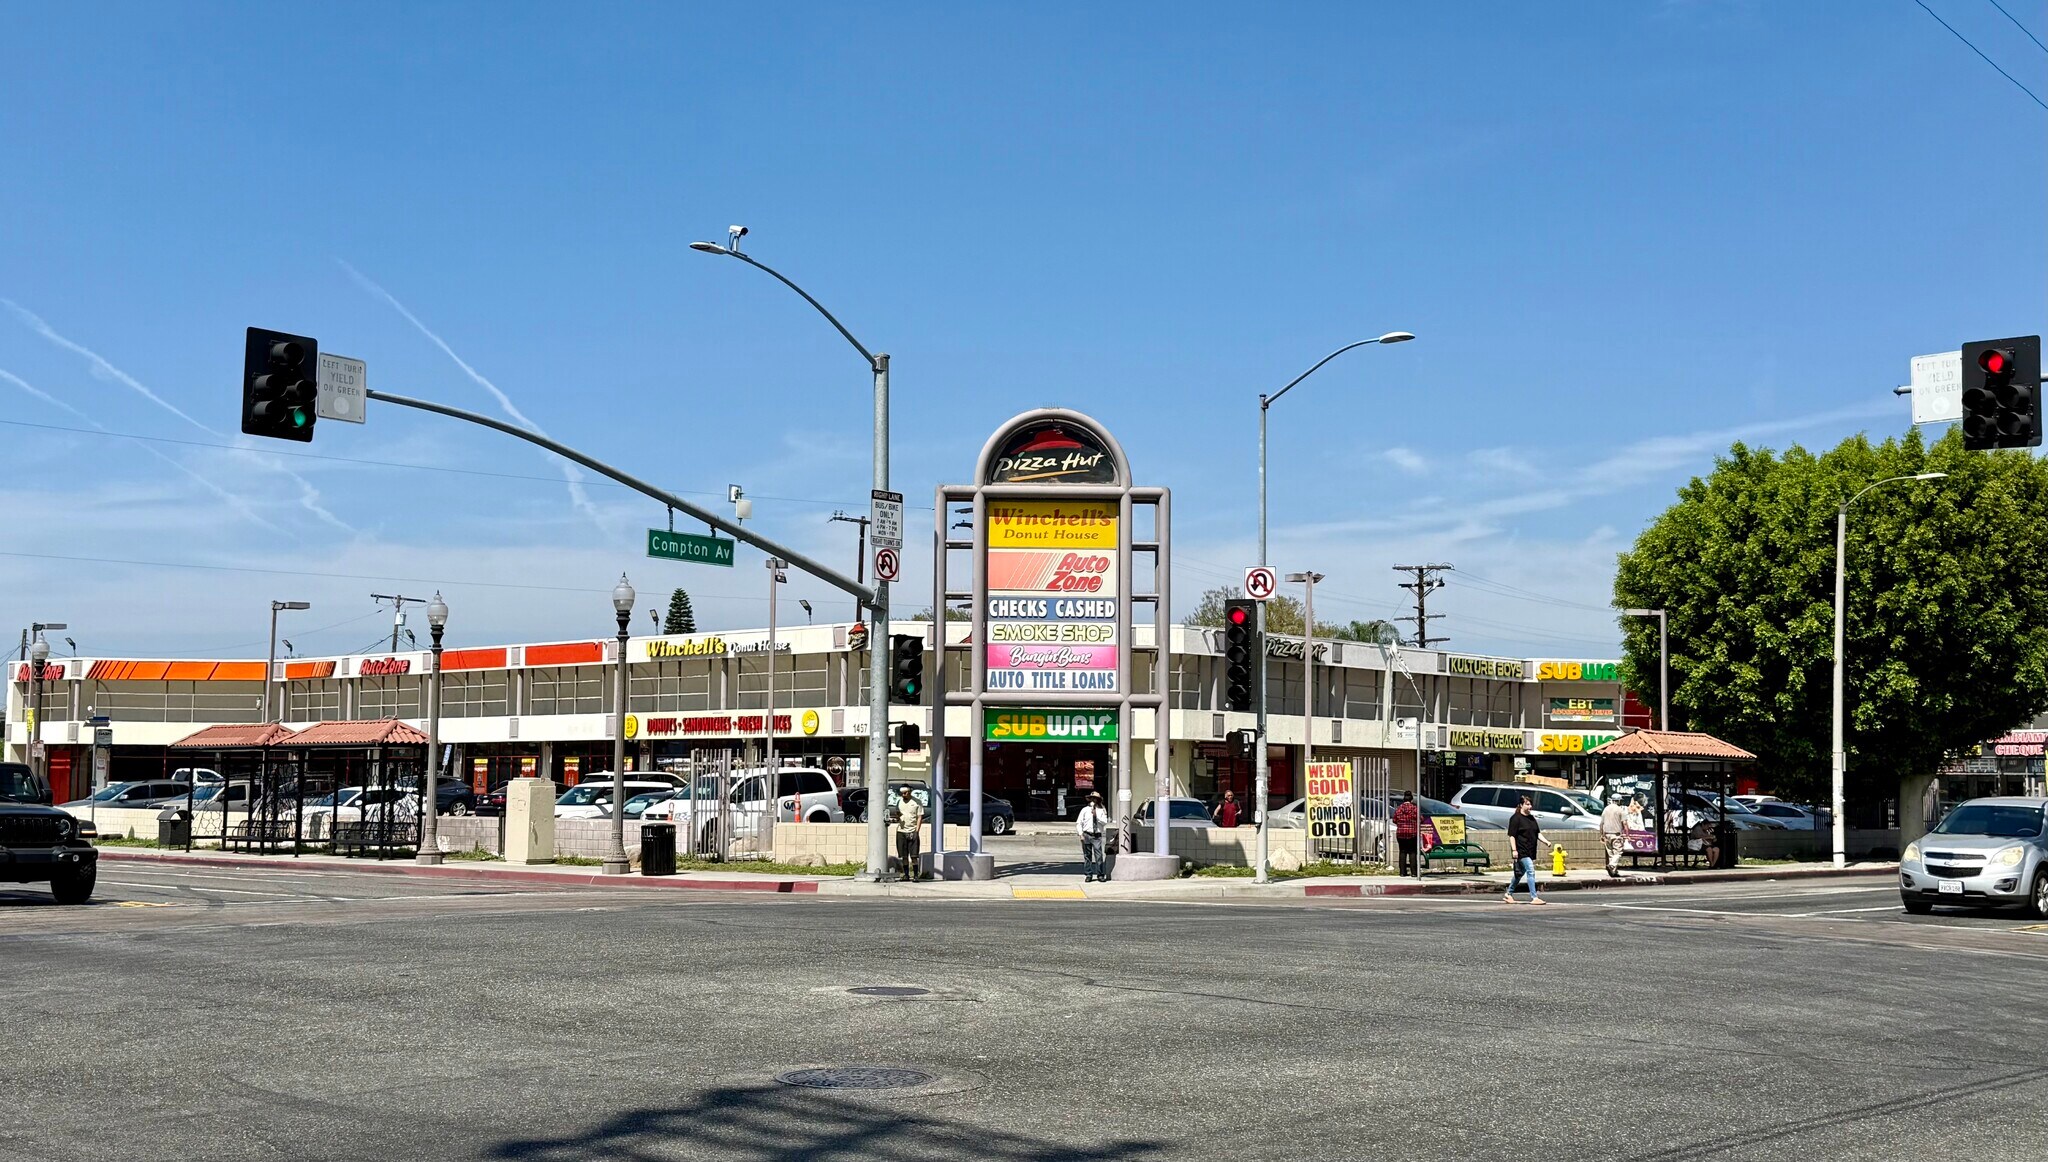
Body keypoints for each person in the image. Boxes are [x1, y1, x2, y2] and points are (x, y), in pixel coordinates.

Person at [1504, 795, 1546, 905]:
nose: (1530, 806)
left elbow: (1537, 833)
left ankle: (1509, 894)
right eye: (1527, 804)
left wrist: (1546, 842)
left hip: (1530, 850)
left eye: (1530, 804)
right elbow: (1512, 835)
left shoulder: (1531, 818)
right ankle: (1534, 897)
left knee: (1519, 873)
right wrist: (1514, 850)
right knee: (1530, 870)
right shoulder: (1516, 818)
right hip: (1521, 850)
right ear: (1521, 805)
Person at [891, 785, 924, 882]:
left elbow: (919, 817)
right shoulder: (899, 802)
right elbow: (898, 814)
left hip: (912, 830)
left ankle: (916, 875)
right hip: (901, 831)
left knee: (914, 856)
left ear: (910, 792)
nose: (903, 795)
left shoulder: (917, 802)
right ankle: (906, 875)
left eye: (905, 793)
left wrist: (916, 831)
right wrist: (897, 817)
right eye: (902, 793)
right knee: (904, 856)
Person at [1076, 791, 1110, 882]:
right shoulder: (1085, 810)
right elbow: (1079, 822)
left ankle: (1100, 874)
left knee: (1098, 856)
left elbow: (1104, 822)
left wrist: (1096, 815)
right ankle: (1088, 874)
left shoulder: (1102, 810)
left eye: (1095, 799)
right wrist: (1080, 834)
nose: (1093, 801)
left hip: (1097, 835)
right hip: (1087, 834)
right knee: (1087, 856)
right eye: (1092, 799)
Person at [1599, 794, 1630, 878]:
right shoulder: (1620, 810)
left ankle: (1614, 872)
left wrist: (1601, 835)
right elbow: (1625, 823)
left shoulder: (1606, 809)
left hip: (1606, 835)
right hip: (1616, 835)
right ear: (1618, 801)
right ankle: (1612, 866)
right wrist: (1627, 835)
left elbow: (1601, 823)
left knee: (1611, 854)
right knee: (1618, 852)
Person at [1392, 792, 1420, 877]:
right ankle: (1414, 872)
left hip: (1401, 833)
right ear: (1411, 799)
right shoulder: (1415, 809)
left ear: (1404, 799)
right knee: (1412, 852)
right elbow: (1421, 819)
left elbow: (1394, 820)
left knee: (1402, 852)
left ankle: (1402, 872)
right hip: (1412, 833)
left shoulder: (1399, 809)